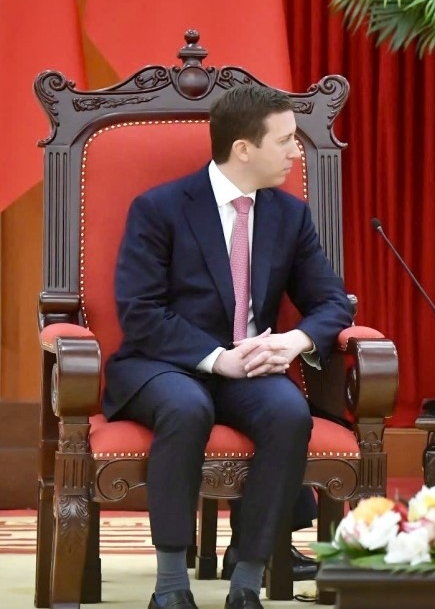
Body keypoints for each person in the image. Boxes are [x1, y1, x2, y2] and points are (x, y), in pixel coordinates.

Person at [104, 85, 354, 609]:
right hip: (165, 364)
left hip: (252, 367)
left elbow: (332, 300)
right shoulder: (160, 208)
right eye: (284, 140)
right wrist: (219, 359)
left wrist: (294, 341)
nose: (295, 152)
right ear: (244, 148)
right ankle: (170, 586)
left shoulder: (288, 215)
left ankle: (246, 580)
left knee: (288, 412)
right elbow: (140, 312)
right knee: (186, 407)